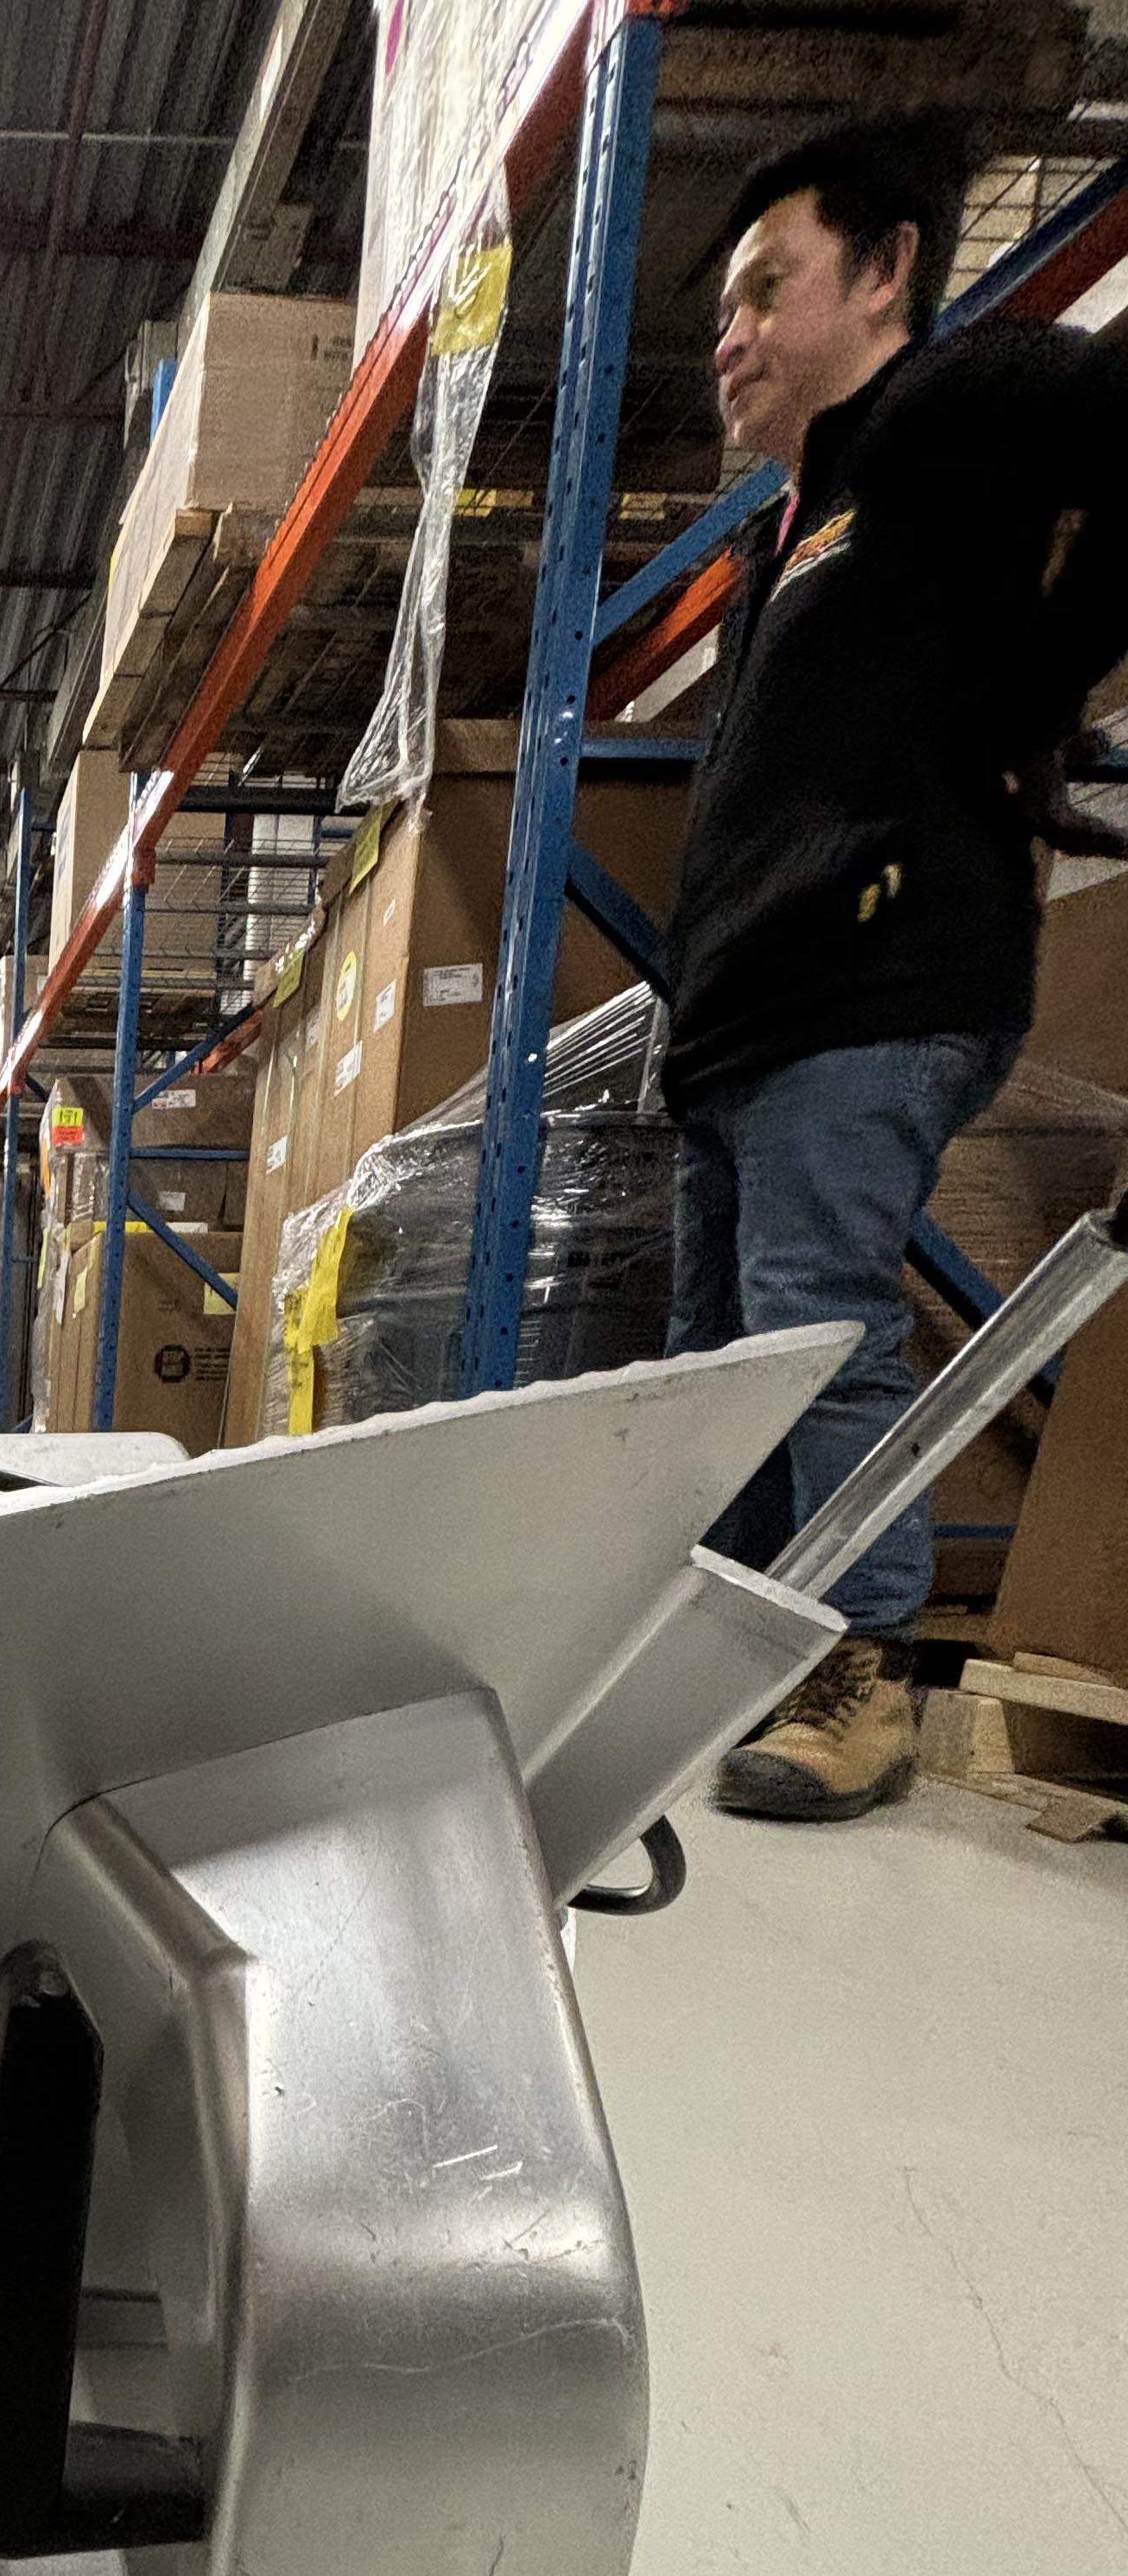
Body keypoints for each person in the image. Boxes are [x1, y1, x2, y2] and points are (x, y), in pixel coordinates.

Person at [662, 111, 1128, 1820]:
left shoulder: (941, 410)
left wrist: (1043, 690)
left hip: (873, 985)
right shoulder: (790, 538)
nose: (729, 335)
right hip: (747, 1021)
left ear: (886, 273)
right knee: (722, 1371)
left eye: (764, 288)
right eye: (723, 307)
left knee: (816, 1323)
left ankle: (861, 1676)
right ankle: (740, 1662)